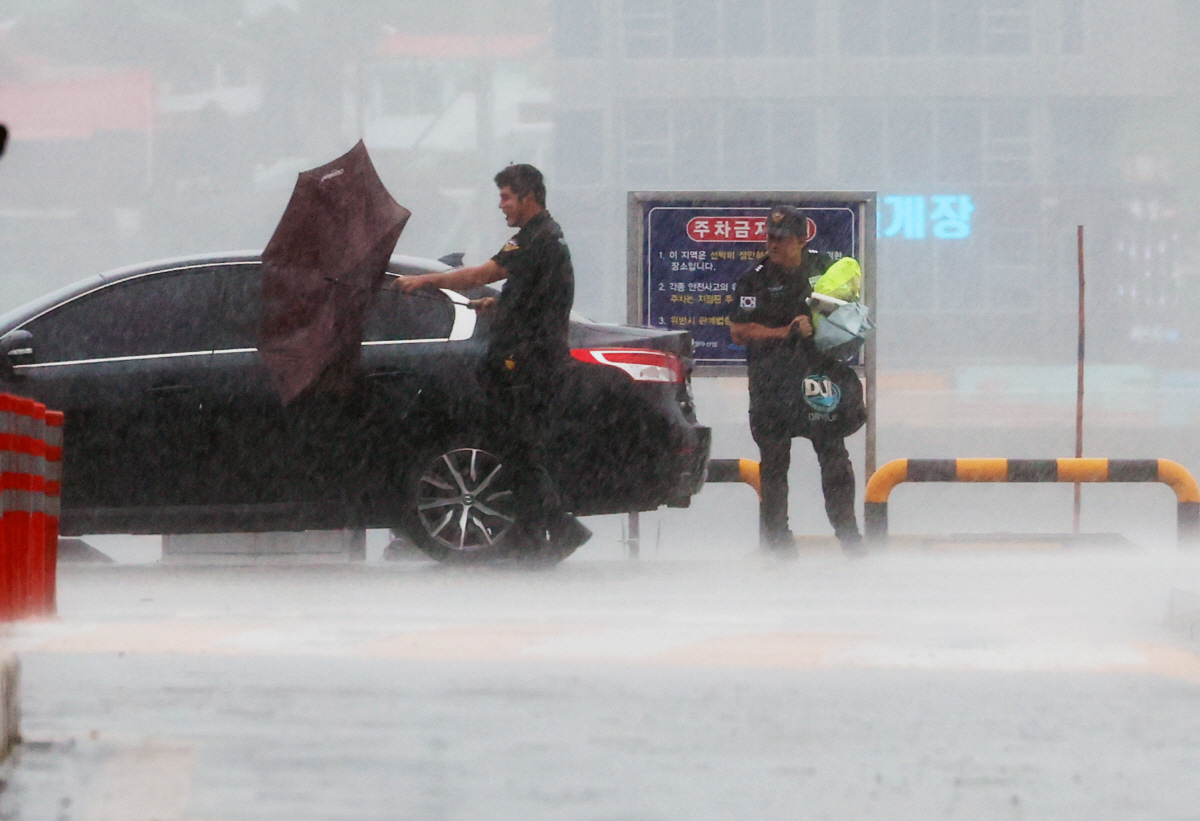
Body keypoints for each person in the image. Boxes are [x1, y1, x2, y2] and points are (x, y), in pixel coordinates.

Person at [395, 163, 587, 555]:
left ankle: (557, 529)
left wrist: (423, 281)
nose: (502, 206)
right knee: (520, 451)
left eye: (506, 197)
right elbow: (538, 297)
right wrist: (498, 306)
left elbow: (481, 274)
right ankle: (538, 536)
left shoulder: (535, 239)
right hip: (535, 358)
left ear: (528, 197)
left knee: (516, 449)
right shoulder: (547, 238)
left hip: (528, 363)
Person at [729, 205, 863, 557]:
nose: (774, 244)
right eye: (770, 237)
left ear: (802, 240)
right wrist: (784, 331)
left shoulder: (824, 268)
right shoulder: (754, 278)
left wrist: (825, 318)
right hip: (771, 382)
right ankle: (779, 544)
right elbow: (739, 331)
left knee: (834, 457)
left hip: (819, 378)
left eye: (783, 238)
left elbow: (850, 310)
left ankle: (850, 539)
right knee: (774, 465)